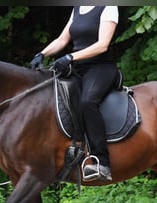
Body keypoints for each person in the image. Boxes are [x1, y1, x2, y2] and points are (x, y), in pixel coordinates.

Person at [30, 6, 119, 182]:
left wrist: (71, 57)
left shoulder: (108, 7)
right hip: (78, 68)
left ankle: (102, 162)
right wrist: (41, 53)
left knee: (87, 102)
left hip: (100, 67)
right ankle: (71, 150)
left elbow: (102, 45)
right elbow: (63, 39)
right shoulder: (77, 9)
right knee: (54, 96)